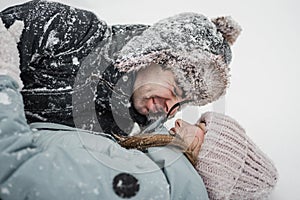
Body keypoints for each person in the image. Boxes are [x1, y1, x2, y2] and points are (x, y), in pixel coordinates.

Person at [0, 0, 242, 138]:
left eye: (183, 104)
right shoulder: (74, 32)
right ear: (154, 54)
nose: (171, 109)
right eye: (176, 89)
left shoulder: (127, 133)